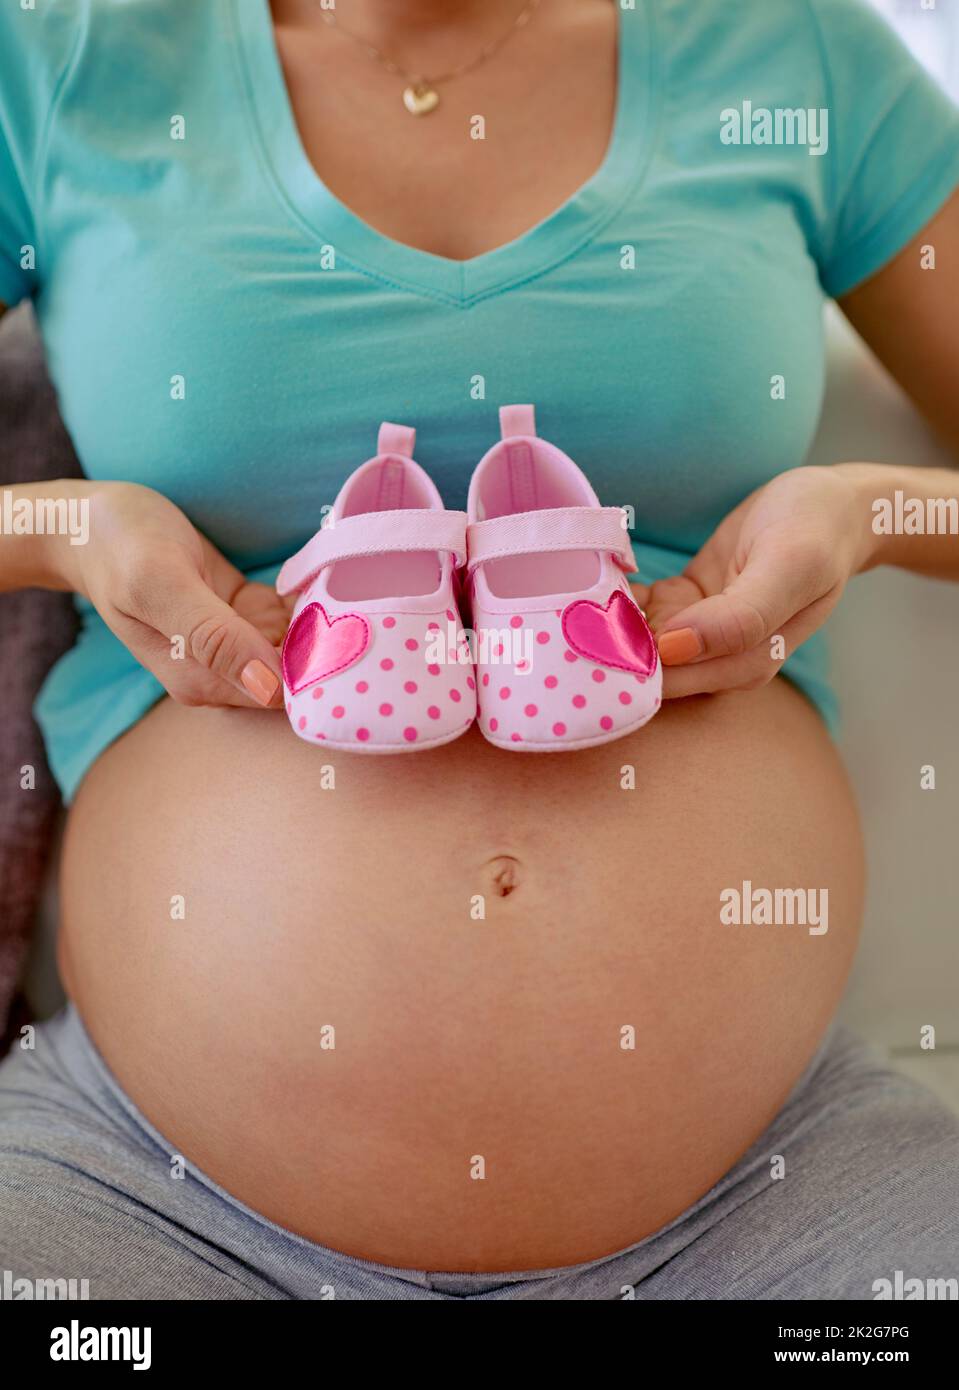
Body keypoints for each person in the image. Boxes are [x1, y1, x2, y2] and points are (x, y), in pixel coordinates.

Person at [0, 0, 957, 1300]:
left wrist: (867, 512)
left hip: (783, 1198)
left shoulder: (788, 52)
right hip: (148, 1205)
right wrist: (63, 531)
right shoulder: (64, 62)